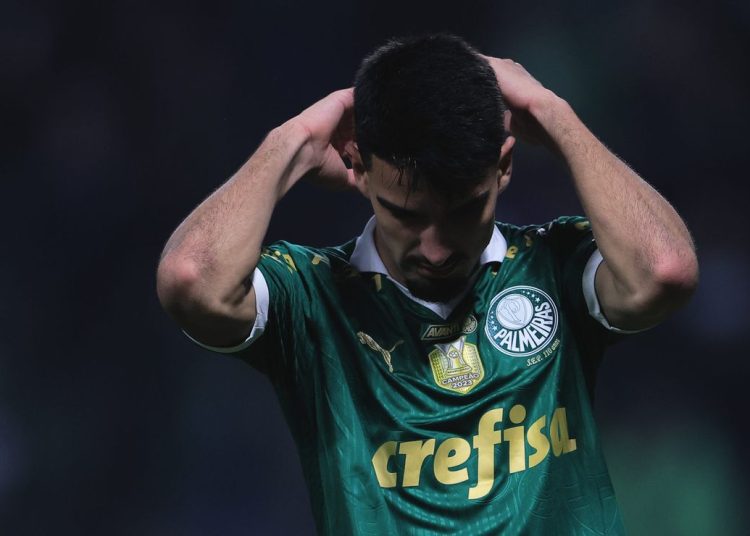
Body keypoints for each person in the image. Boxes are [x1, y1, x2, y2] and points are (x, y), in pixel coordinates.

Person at [157, 33, 698, 535]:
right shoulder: (312, 298)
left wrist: (553, 114)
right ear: (357, 167)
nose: (436, 249)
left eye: (463, 211)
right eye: (407, 216)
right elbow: (192, 280)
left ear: (503, 168)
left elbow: (664, 271)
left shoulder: (550, 265)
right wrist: (291, 141)